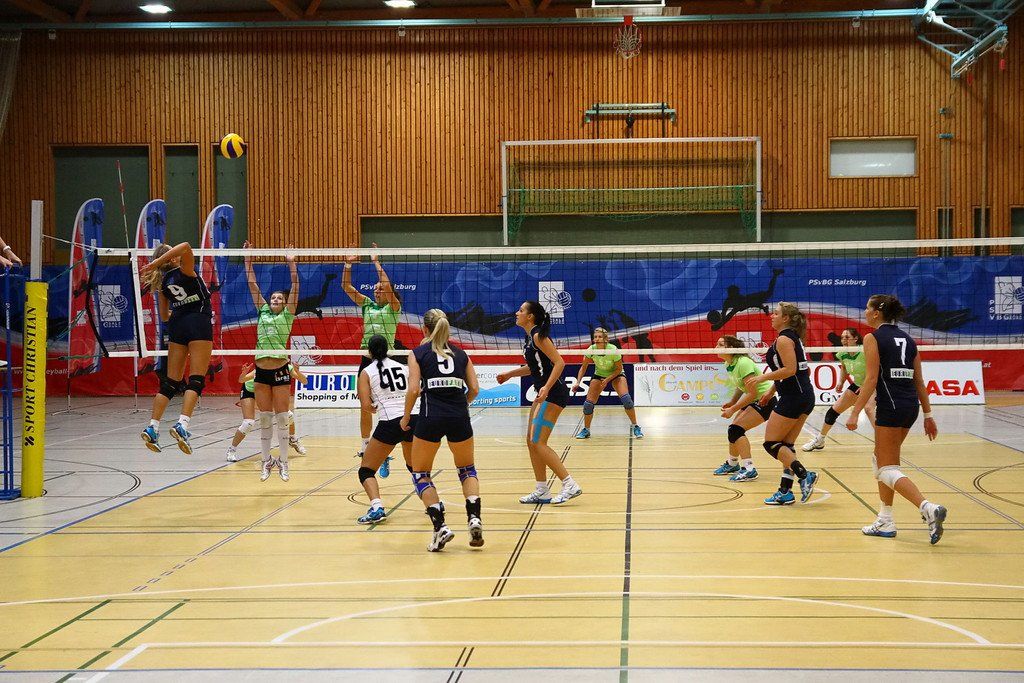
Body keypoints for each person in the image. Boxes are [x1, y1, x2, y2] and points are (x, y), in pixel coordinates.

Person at [846, 295, 945, 543]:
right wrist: (928, 415)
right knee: (880, 460)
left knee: (885, 468)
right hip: (910, 407)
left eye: (867, 308)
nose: (864, 312)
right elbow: (919, 381)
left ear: (877, 313)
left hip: (890, 406)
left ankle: (927, 508)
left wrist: (855, 411)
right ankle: (885, 520)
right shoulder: (909, 340)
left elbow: (870, 379)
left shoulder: (872, 338)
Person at [401, 309, 482, 552]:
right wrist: (460, 405)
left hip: (430, 417)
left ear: (424, 329)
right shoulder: (461, 354)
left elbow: (413, 390)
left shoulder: (417, 354)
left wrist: (406, 416)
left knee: (421, 474)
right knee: (467, 469)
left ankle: (440, 527)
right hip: (459, 417)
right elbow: (474, 389)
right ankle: (474, 518)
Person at [497, 301, 582, 505]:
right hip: (542, 393)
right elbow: (534, 367)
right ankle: (542, 489)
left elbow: (560, 362)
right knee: (531, 441)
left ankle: (569, 484)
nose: (516, 313)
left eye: (521, 310)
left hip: (553, 393)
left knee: (538, 442)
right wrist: (510, 374)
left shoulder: (538, 336)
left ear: (530, 316)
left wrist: (546, 387)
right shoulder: (529, 338)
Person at [139, 242, 213, 455]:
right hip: (198, 321)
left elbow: (164, 317)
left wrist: (182, 312)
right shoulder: (185, 270)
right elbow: (186, 246)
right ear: (171, 258)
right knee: (196, 380)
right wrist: (156, 262)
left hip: (177, 325)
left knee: (171, 383)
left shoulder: (163, 284)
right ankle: (182, 424)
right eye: (172, 252)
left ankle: (152, 427)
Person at [744, 302, 819, 505]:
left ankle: (805, 475)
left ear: (785, 318)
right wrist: (770, 392)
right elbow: (797, 371)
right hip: (803, 395)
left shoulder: (784, 339)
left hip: (793, 397)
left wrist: (762, 378)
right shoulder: (792, 338)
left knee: (771, 444)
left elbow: (790, 370)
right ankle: (785, 491)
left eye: (776, 313)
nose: (772, 316)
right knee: (786, 446)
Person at [243, 241, 299, 482]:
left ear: (285, 303)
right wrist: (247, 259)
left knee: (283, 418)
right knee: (265, 418)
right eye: (273, 297)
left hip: (280, 370)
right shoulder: (263, 311)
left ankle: (284, 462)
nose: (275, 299)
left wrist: (291, 263)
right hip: (261, 370)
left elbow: (295, 285)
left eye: (279, 298)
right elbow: (252, 284)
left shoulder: (288, 314)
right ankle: (266, 461)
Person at [342, 243, 401, 460]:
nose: (377, 290)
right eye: (375, 289)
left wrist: (376, 261)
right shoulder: (367, 304)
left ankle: (389, 442)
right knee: (365, 405)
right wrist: (348, 264)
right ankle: (366, 444)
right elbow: (346, 287)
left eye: (380, 289)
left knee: (390, 404)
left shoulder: (393, 307)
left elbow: (386, 284)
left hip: (388, 361)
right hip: (367, 360)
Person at [355, 334, 417, 524]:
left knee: (366, 471)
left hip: (390, 422)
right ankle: (434, 504)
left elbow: (366, 406)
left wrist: (377, 406)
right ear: (388, 350)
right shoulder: (403, 367)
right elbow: (416, 391)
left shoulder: (366, 372)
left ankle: (377, 508)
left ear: (369, 352)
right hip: (413, 419)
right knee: (415, 467)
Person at [713, 335, 776, 482]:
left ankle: (749, 469)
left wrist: (733, 409)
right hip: (753, 399)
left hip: (764, 400)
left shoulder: (743, 363)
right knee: (733, 431)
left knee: (736, 430)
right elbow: (741, 386)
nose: (716, 347)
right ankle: (732, 464)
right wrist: (732, 402)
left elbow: (753, 392)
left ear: (731, 348)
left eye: (720, 344)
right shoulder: (729, 364)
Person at [803, 328, 874, 452]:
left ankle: (883, 441)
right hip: (858, 385)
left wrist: (865, 387)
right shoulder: (842, 353)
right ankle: (820, 440)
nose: (844, 340)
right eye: (842, 338)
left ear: (856, 338)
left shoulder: (864, 351)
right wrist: (841, 381)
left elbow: (875, 371)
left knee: (869, 409)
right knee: (832, 411)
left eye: (847, 337)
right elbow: (844, 368)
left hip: (873, 385)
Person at [226, 362, 307, 463]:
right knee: (248, 423)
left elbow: (304, 381)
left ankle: (293, 439)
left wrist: (298, 372)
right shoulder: (263, 367)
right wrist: (244, 373)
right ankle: (231, 450)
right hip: (250, 391)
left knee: (288, 415)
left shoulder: (287, 368)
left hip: (266, 392)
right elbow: (241, 380)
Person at [572, 327, 643, 439]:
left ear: (605, 339)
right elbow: (583, 367)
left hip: (616, 374)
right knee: (588, 405)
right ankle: (586, 430)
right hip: (599, 375)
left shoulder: (613, 349)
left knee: (627, 400)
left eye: (600, 337)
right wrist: (578, 382)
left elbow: (618, 369)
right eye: (595, 337)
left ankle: (636, 426)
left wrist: (607, 380)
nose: (597, 339)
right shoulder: (591, 349)